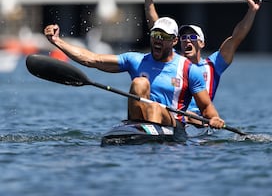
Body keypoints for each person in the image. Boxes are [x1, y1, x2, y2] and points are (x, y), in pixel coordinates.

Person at [43, 17, 225, 130]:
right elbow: (92, 59)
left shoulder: (188, 69)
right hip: (139, 118)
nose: (158, 40)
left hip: (173, 124)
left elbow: (207, 109)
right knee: (140, 83)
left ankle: (148, 136)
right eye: (155, 35)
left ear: (174, 41)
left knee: (155, 106)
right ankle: (139, 127)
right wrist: (57, 41)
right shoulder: (136, 60)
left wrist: (214, 119)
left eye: (164, 37)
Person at [144, 0, 261, 115]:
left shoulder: (213, 65)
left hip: (199, 119)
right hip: (173, 116)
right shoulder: (173, 60)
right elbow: (157, 27)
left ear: (202, 43)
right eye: (184, 38)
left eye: (193, 38)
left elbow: (236, 38)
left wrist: (252, 11)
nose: (187, 40)